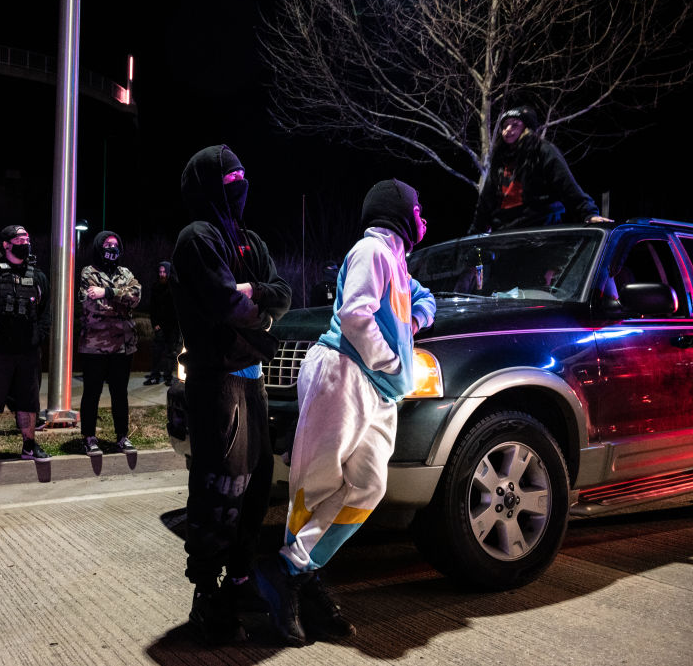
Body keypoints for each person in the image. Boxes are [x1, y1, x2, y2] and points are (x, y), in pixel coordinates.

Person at [255, 179, 436, 646]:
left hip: (378, 390)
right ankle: (297, 584)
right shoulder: (371, 251)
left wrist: (414, 320)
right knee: (316, 484)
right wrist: (394, 360)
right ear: (398, 212)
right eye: (418, 210)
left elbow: (423, 299)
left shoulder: (395, 263)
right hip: (343, 372)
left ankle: (291, 568)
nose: (424, 218)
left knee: (369, 487)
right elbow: (356, 314)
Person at [172, 144, 292, 644]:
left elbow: (282, 293)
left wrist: (256, 294)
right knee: (220, 485)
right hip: (215, 380)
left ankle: (241, 579)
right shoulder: (196, 238)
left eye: (243, 175)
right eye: (230, 178)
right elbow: (225, 303)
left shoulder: (249, 239)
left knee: (257, 484)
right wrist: (251, 301)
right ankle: (207, 591)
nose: (239, 185)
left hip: (251, 377)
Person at [0, 225, 51, 464]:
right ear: (6, 244)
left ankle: (29, 445)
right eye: (19, 238)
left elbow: (46, 311)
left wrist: (40, 335)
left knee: (29, 400)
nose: (25, 241)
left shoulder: (37, 276)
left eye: (27, 238)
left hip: (28, 350)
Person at [469, 105, 612, 234]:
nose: (508, 130)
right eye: (505, 126)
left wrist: (589, 214)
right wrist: (475, 232)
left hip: (539, 231)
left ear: (526, 128)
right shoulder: (500, 158)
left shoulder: (542, 151)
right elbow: (486, 200)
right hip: (506, 234)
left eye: (514, 125)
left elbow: (566, 184)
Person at [77, 230, 142, 457]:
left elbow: (136, 296)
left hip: (123, 346)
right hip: (95, 344)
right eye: (107, 244)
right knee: (92, 393)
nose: (111, 249)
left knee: (119, 393)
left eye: (115, 245)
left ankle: (122, 437)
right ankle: (88, 437)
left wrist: (106, 292)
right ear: (98, 247)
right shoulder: (88, 272)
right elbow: (91, 306)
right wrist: (120, 302)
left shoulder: (125, 272)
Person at [144, 260, 180, 386]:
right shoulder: (155, 287)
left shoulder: (175, 287)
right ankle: (155, 376)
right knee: (157, 352)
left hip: (172, 327)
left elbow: (176, 308)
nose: (162, 274)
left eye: (164, 271)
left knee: (171, 352)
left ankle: (168, 376)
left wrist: (175, 326)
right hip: (160, 326)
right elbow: (153, 308)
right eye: (160, 271)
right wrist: (155, 324)